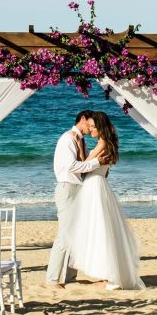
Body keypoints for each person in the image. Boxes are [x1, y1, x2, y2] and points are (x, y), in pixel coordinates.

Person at [63, 110, 145, 290]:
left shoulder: (102, 143)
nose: (91, 130)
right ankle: (108, 275)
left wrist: (77, 142)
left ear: (100, 127)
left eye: (93, 126)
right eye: (90, 126)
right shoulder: (106, 143)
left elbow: (85, 166)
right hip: (98, 184)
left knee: (100, 230)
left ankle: (109, 277)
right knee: (102, 228)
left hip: (94, 186)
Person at [45, 109, 101, 289]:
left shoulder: (80, 141)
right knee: (64, 234)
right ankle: (52, 279)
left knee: (75, 234)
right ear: (82, 119)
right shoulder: (68, 139)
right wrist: (95, 163)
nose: (91, 128)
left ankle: (69, 275)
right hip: (67, 187)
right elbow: (71, 166)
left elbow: (83, 160)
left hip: (77, 188)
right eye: (90, 124)